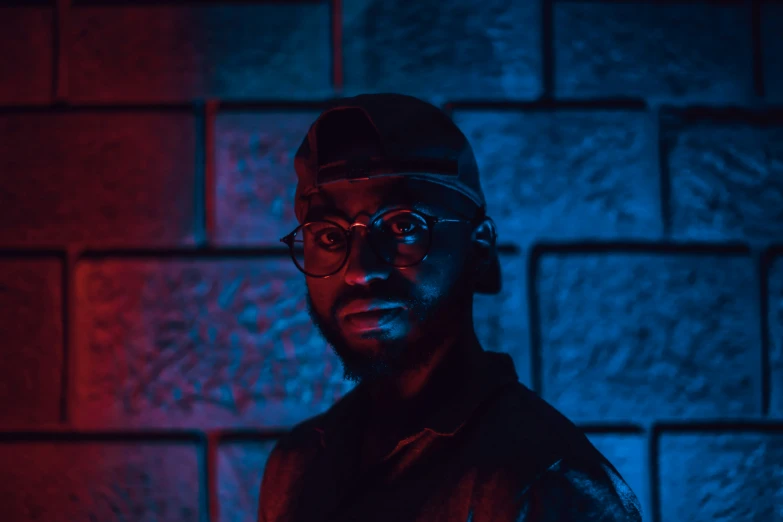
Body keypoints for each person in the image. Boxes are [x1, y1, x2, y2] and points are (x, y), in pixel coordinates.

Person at [257, 93, 643, 521]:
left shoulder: (547, 483)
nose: (360, 271)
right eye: (329, 237)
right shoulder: (297, 464)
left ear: (479, 249)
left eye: (404, 226)